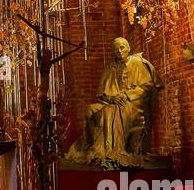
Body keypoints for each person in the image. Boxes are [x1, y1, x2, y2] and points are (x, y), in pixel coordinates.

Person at [66, 37, 160, 167]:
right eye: (116, 49)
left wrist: (125, 95)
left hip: (133, 103)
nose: (119, 51)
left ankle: (111, 149)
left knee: (110, 110)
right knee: (91, 109)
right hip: (113, 101)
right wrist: (111, 98)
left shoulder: (139, 63)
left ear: (128, 48)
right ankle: (90, 147)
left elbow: (146, 86)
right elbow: (101, 95)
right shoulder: (110, 68)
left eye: (122, 47)